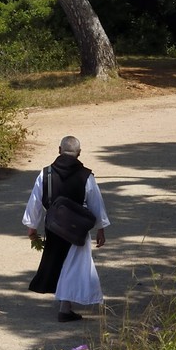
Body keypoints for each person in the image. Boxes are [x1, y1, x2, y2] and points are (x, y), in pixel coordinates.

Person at [23, 135, 110, 322]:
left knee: (59, 262)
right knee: (73, 265)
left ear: (59, 150)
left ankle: (65, 306)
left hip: (54, 228)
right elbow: (96, 203)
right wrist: (100, 228)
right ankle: (65, 308)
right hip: (77, 230)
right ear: (79, 153)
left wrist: (32, 228)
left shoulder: (45, 174)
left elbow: (35, 202)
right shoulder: (86, 176)